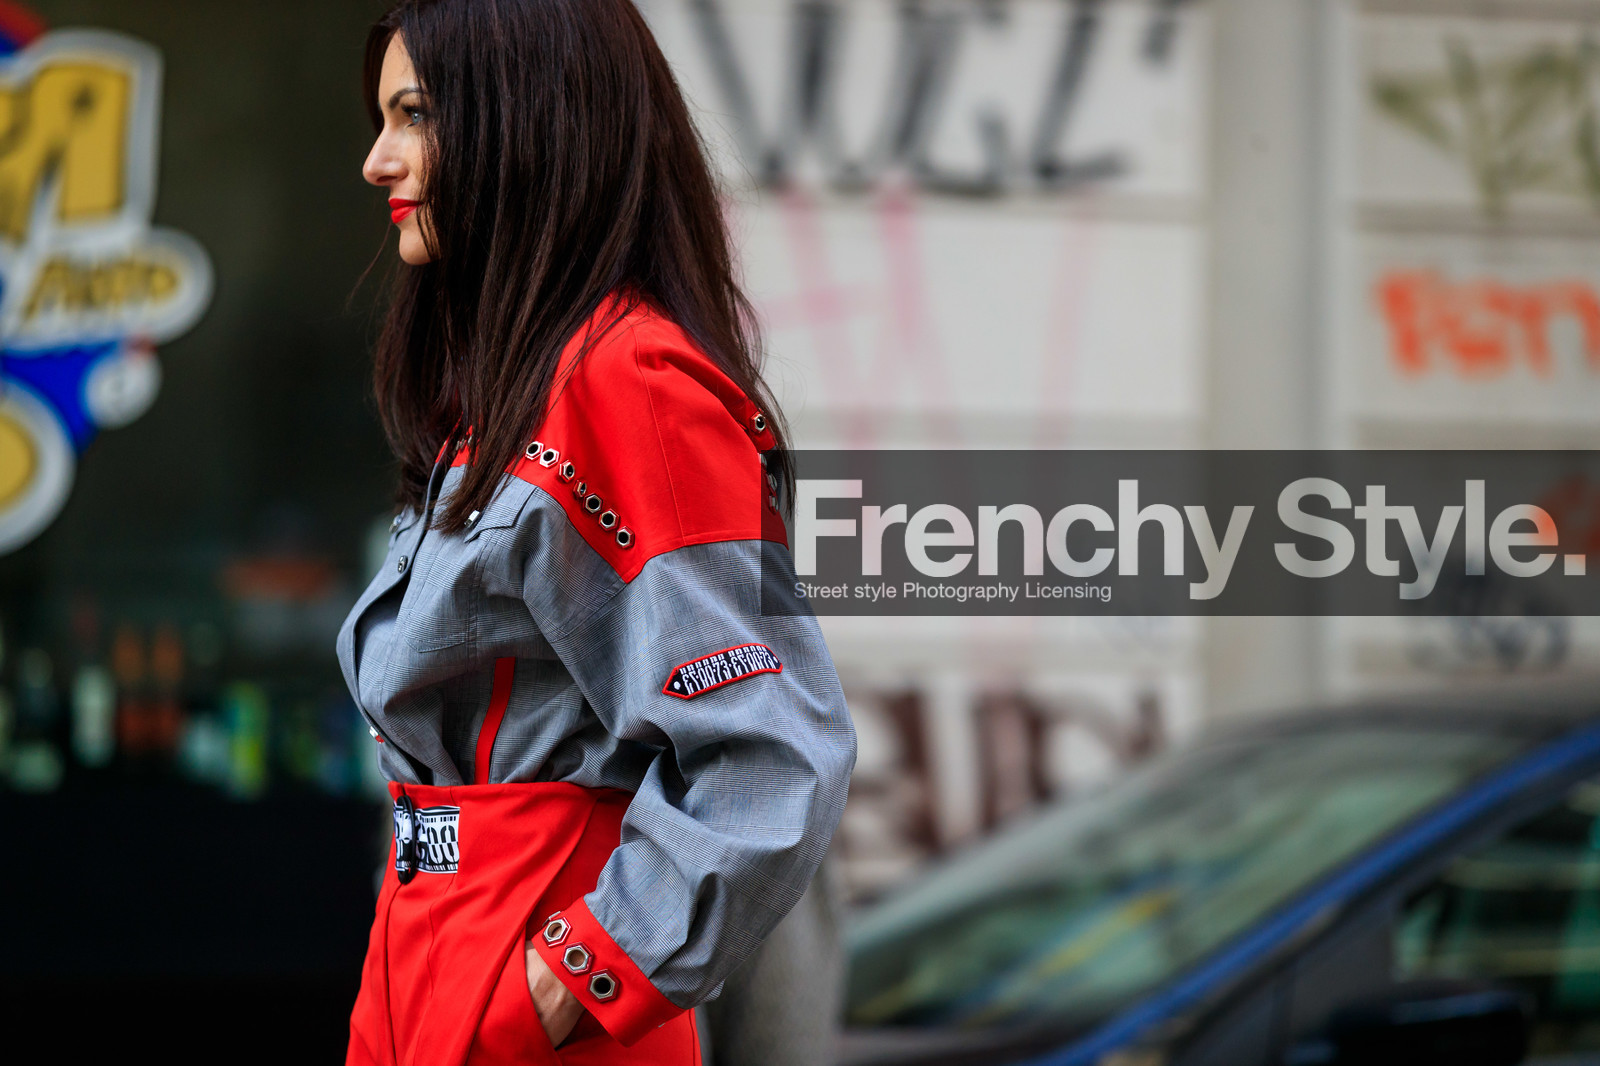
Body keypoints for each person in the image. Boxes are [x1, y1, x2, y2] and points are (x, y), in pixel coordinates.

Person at [338, 3, 856, 1064]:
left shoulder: (624, 379)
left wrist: (560, 982)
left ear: (528, 122)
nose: (377, 161)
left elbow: (769, 754)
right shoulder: (505, 392)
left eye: (415, 115)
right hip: (422, 964)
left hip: (532, 992)